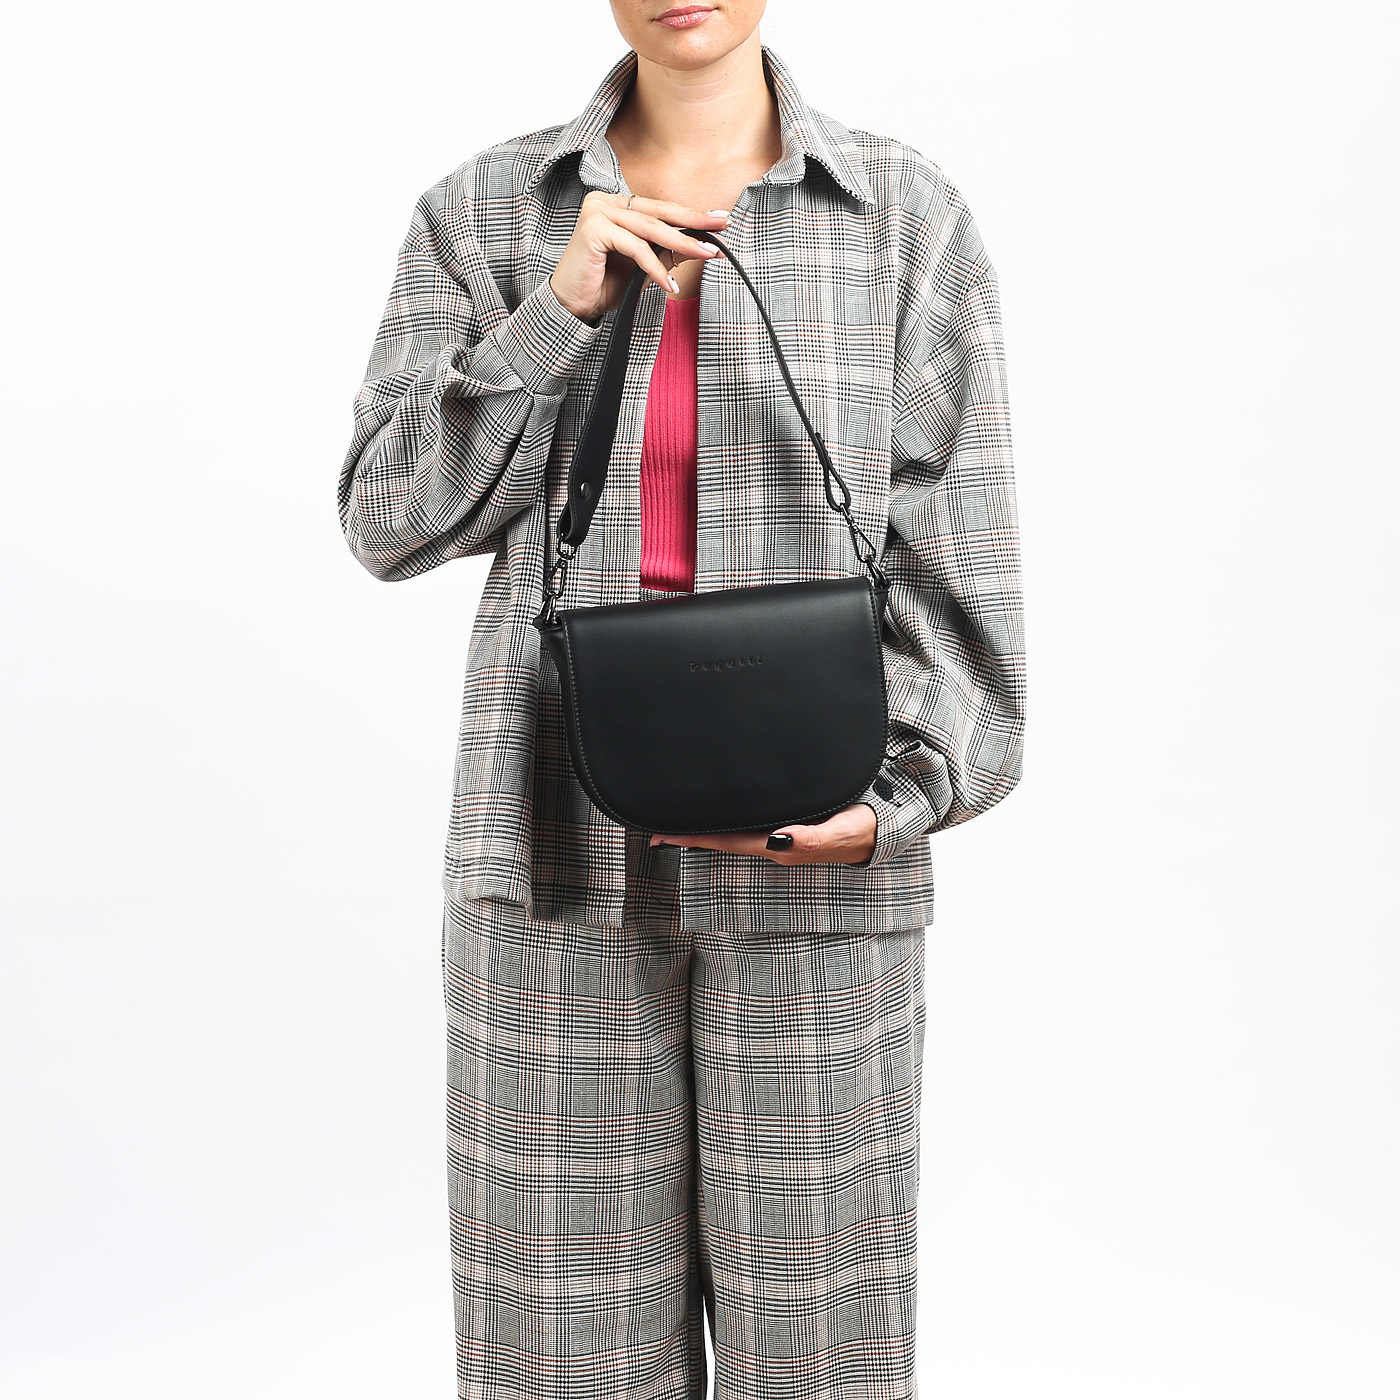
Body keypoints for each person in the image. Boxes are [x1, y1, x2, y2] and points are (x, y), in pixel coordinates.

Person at [339, 3, 1026, 1395]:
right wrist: (555, 316)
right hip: (549, 849)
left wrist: (899, 798)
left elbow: (959, 553)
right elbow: (387, 522)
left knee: (819, 1350)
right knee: (560, 1354)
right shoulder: (485, 210)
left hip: (819, 845)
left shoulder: (902, 215)